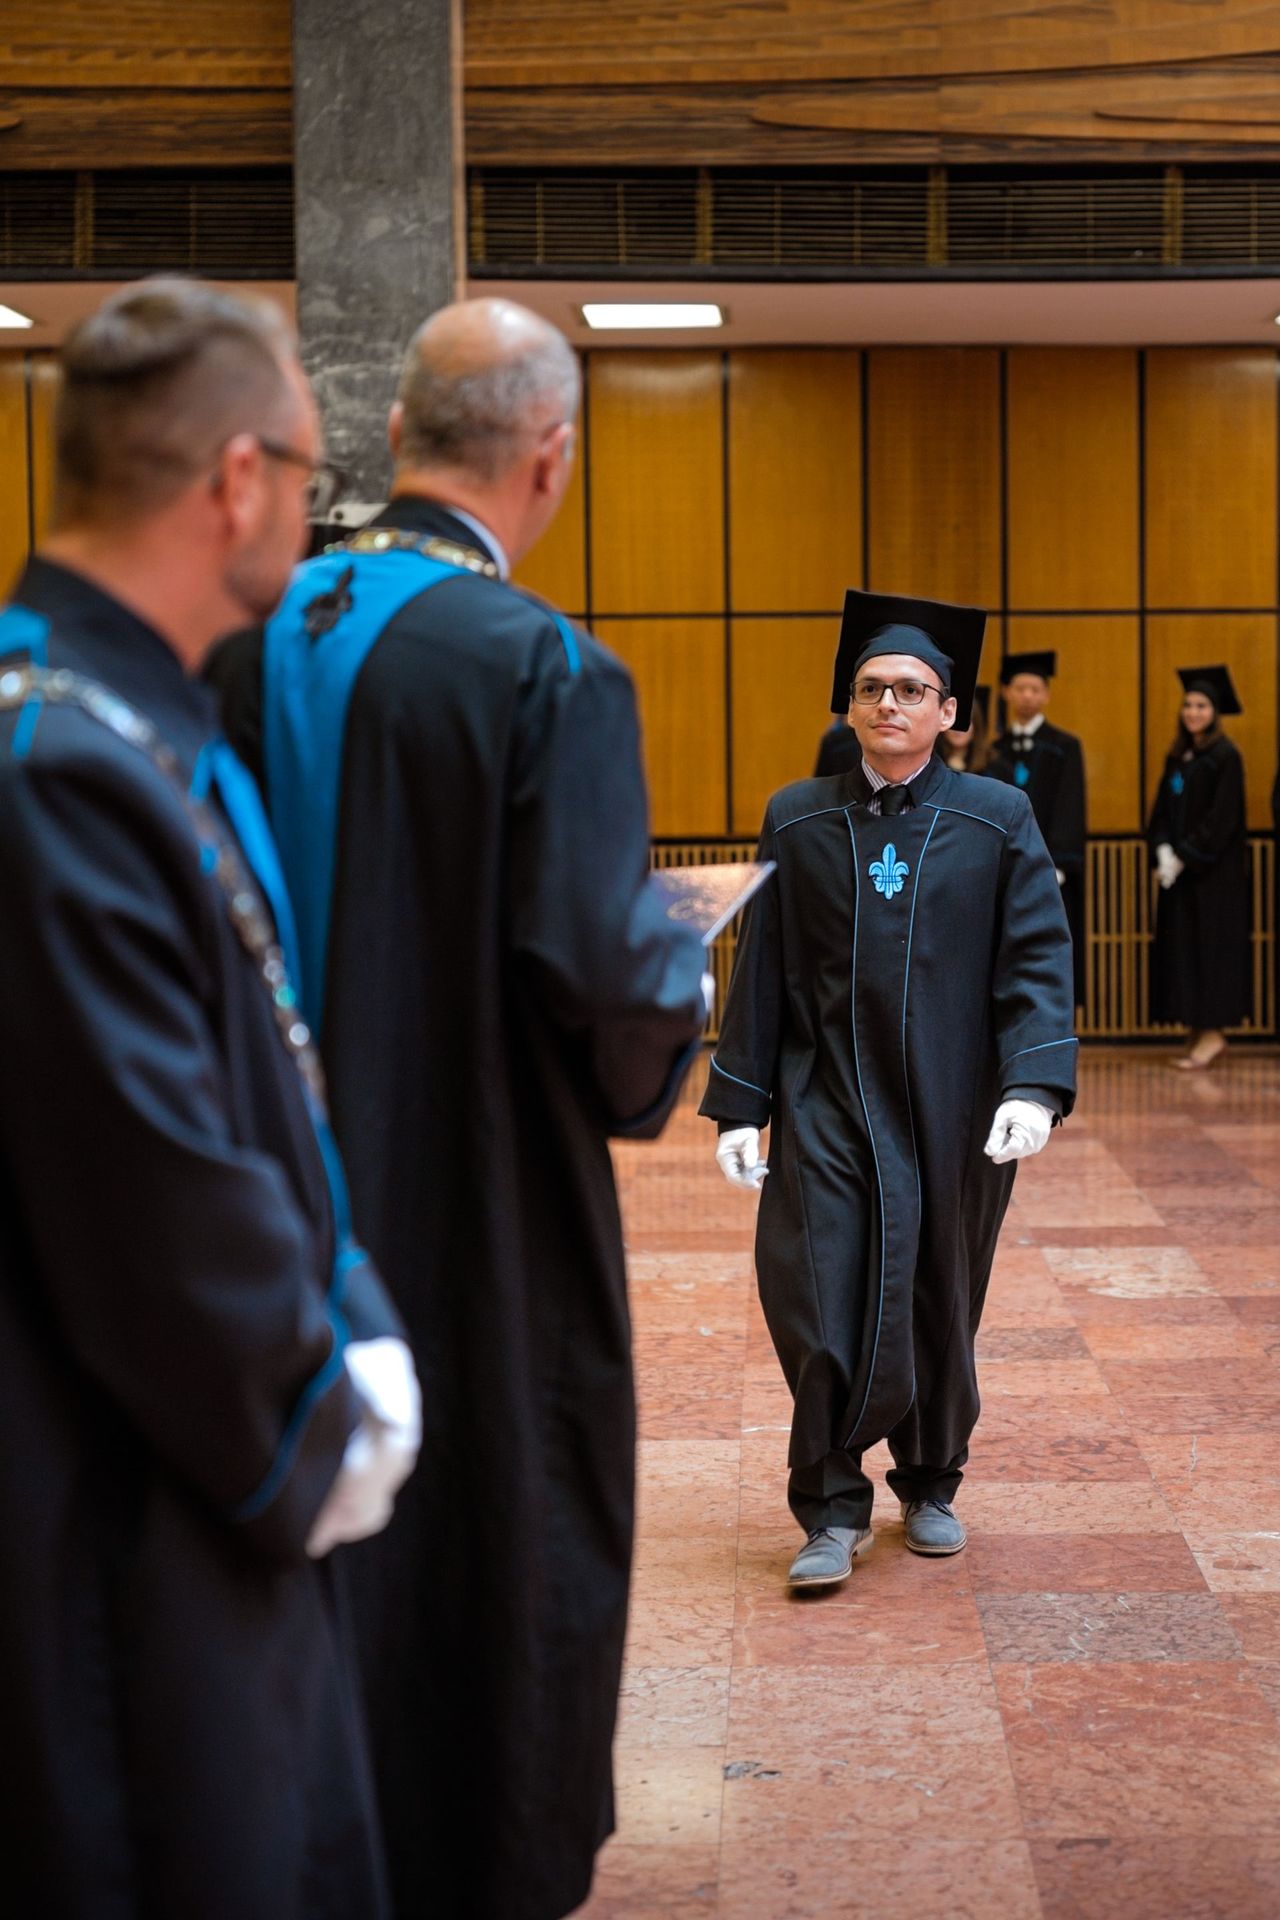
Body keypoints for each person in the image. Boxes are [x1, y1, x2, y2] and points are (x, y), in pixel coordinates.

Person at [208, 298, 709, 1920]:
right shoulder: (543, 665)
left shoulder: (242, 639)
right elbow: (604, 980)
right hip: (473, 1204)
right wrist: (684, 963)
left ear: (390, 434)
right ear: (550, 458)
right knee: (499, 1536)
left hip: (260, 1202)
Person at [0, 279, 420, 1917]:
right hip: (121, 1505)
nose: (317, 517)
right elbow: (151, 1186)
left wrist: (347, 1308)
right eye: (313, 476)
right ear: (239, 481)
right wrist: (313, 1402)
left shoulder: (136, 728)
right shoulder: (56, 773)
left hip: (184, 1459)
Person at [701, 590, 1076, 1591]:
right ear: (850, 705)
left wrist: (1033, 1084)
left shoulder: (997, 819)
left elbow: (1035, 958)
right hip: (824, 1097)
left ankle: (931, 1480)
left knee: (939, 1293)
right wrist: (740, 1104)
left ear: (949, 712)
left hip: (951, 1105)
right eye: (871, 689)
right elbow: (765, 965)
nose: (888, 705)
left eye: (911, 691)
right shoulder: (798, 817)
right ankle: (829, 1505)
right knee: (820, 1295)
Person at [1147, 664, 1250, 1069]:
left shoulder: (1225, 757)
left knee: (1211, 950)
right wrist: (1162, 850)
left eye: (1201, 706)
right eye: (1188, 705)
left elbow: (1222, 819)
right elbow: (1160, 812)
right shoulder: (1178, 756)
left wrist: (1185, 855)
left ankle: (1213, 1033)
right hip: (1180, 877)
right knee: (1183, 950)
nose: (1193, 712)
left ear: (1215, 712)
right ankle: (1196, 1028)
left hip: (1213, 878)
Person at [989, 652, 1088, 1008]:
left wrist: (1057, 863)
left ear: (1046, 694)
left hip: (1053, 871)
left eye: (1035, 689)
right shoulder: (995, 750)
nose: (1027, 696)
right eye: (1020, 688)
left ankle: (1057, 1022)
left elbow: (1070, 806)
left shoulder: (1064, 747)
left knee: (1052, 946)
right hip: (1005, 868)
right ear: (1006, 692)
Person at [941, 682, 992, 772]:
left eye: (964, 721)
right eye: (954, 720)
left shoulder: (991, 764)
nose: (958, 729)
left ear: (976, 727)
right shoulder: (929, 760)